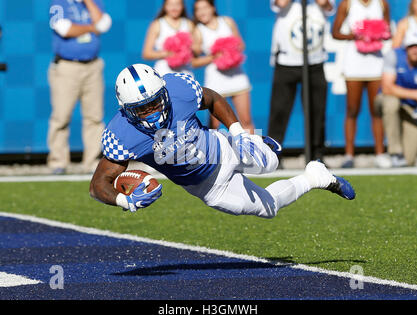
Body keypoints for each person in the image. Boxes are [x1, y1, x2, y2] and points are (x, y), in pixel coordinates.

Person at [89, 63, 355, 217]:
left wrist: (237, 132)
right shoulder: (121, 134)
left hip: (221, 148)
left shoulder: (177, 88)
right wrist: (123, 201)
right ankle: (315, 178)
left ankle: (260, 145)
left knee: (271, 163)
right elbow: (98, 184)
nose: (154, 112)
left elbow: (213, 98)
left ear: (164, 93)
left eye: (156, 103)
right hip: (206, 186)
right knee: (268, 209)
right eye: (143, 109)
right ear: (126, 109)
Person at [48, 0, 112, 174]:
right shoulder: (59, 3)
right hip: (67, 67)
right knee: (61, 117)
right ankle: (58, 162)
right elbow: (65, 29)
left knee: (94, 116)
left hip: (93, 65)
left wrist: (88, 3)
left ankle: (92, 162)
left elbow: (104, 25)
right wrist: (92, 28)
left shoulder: (94, 2)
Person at [268, 0, 335, 167]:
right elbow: (281, 3)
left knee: (316, 112)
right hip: (286, 62)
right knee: (279, 112)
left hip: (315, 62)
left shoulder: (314, 5)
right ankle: (273, 155)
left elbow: (326, 4)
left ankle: (316, 156)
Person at [332, 0, 391, 168]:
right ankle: (349, 154)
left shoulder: (382, 4)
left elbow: (389, 30)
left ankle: (380, 153)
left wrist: (378, 32)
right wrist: (355, 35)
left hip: (376, 64)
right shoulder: (347, 4)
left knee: (377, 110)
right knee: (352, 109)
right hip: (354, 65)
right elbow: (335, 32)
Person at [191, 0, 254, 134]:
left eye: (205, 7)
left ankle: (253, 152)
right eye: (198, 9)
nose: (202, 12)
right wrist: (214, 56)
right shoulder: (197, 30)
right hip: (215, 80)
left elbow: (241, 45)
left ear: (212, 8)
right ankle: (216, 154)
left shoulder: (227, 21)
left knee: (246, 120)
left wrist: (229, 50)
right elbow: (194, 61)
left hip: (237, 76)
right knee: (214, 124)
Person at [375, 32, 417, 167]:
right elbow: (387, 88)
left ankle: (400, 157)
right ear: (406, 48)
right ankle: (395, 152)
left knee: (409, 160)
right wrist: (414, 94)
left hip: (410, 108)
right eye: (412, 46)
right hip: (388, 101)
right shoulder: (394, 55)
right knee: (391, 102)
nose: (415, 49)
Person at [142, 0, 194, 76]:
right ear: (165, 6)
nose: (174, 8)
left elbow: (195, 49)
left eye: (177, 4)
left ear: (182, 6)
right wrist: (167, 54)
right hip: (164, 72)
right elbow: (146, 53)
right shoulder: (157, 24)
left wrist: (184, 51)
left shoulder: (189, 24)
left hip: (185, 72)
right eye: (170, 4)